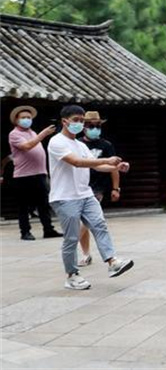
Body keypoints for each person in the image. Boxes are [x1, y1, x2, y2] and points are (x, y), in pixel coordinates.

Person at [48, 105, 134, 290]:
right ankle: (72, 275)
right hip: (65, 197)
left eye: (82, 121)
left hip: (85, 194)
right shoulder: (56, 142)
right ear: (64, 121)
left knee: (99, 224)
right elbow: (77, 162)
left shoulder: (80, 145)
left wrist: (116, 167)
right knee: (72, 237)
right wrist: (106, 160)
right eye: (76, 120)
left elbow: (95, 166)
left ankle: (112, 262)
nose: (80, 124)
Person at [7, 105, 63, 241]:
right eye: (23, 117)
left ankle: (48, 229)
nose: (27, 119)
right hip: (23, 175)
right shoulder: (14, 134)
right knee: (24, 206)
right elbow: (27, 146)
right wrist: (43, 134)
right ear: (16, 120)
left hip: (40, 173)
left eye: (29, 117)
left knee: (43, 204)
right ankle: (25, 231)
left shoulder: (32, 132)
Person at [76, 111, 123, 266]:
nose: (95, 129)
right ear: (84, 127)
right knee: (83, 220)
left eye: (97, 126)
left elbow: (114, 167)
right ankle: (86, 253)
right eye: (91, 126)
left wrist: (116, 188)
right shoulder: (78, 144)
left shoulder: (106, 145)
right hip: (81, 185)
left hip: (98, 187)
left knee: (87, 221)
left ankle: (71, 240)